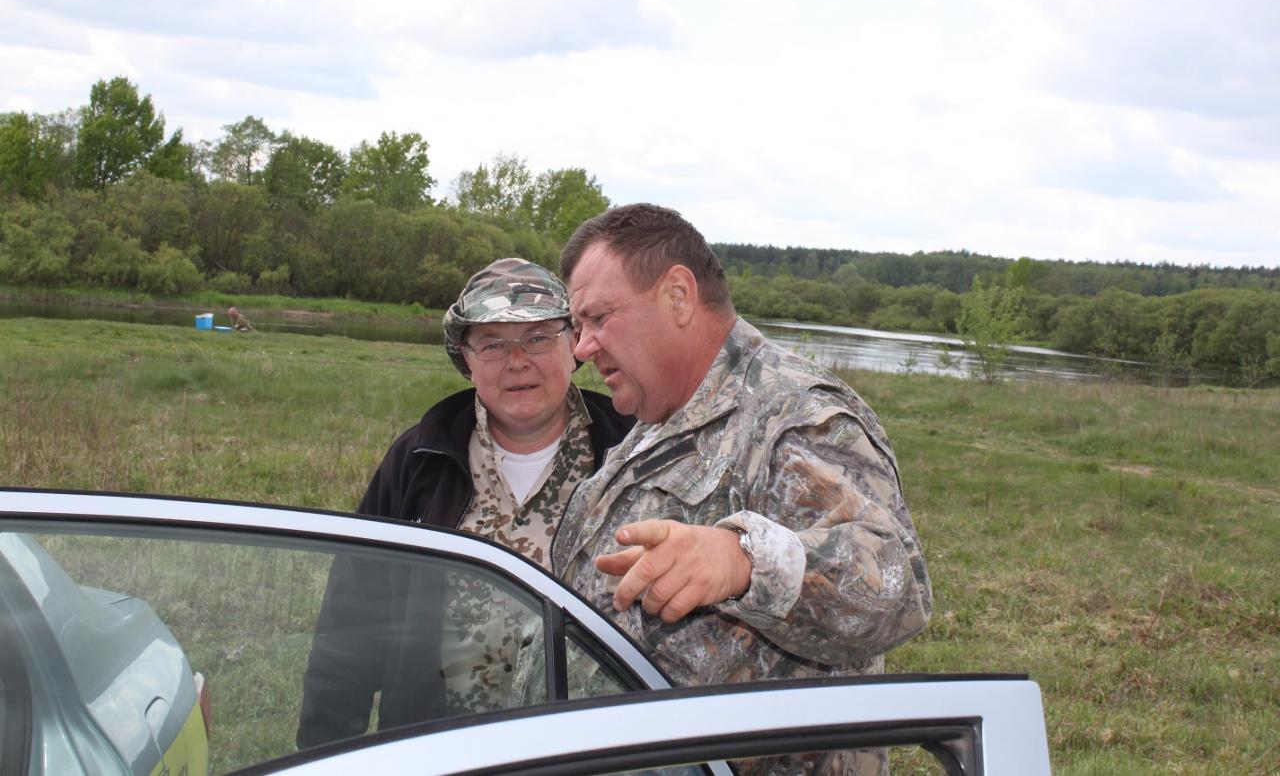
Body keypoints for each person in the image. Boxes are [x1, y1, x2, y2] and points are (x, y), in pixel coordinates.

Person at [554, 204, 932, 775]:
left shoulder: (794, 415)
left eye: (599, 318)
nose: (582, 348)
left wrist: (744, 559)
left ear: (678, 296)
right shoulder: (659, 416)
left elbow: (897, 589)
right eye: (578, 327)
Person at [296, 258, 634, 749]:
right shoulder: (418, 461)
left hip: (590, 751)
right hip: (442, 752)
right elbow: (352, 622)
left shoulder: (631, 453)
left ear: (574, 346)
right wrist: (323, 751)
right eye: (492, 344)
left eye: (538, 338)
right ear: (466, 360)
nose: (517, 361)